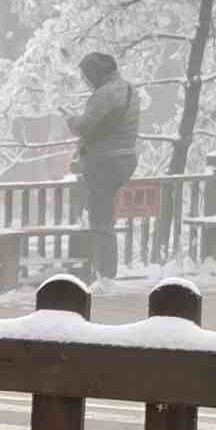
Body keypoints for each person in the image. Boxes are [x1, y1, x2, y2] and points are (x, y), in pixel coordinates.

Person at [71, 51, 142, 281]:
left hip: (105, 162)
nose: (85, 80)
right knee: (104, 216)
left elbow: (84, 126)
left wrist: (71, 120)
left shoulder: (104, 94)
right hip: (125, 159)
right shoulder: (129, 89)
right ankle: (102, 271)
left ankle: (104, 275)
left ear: (95, 74)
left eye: (86, 75)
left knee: (101, 222)